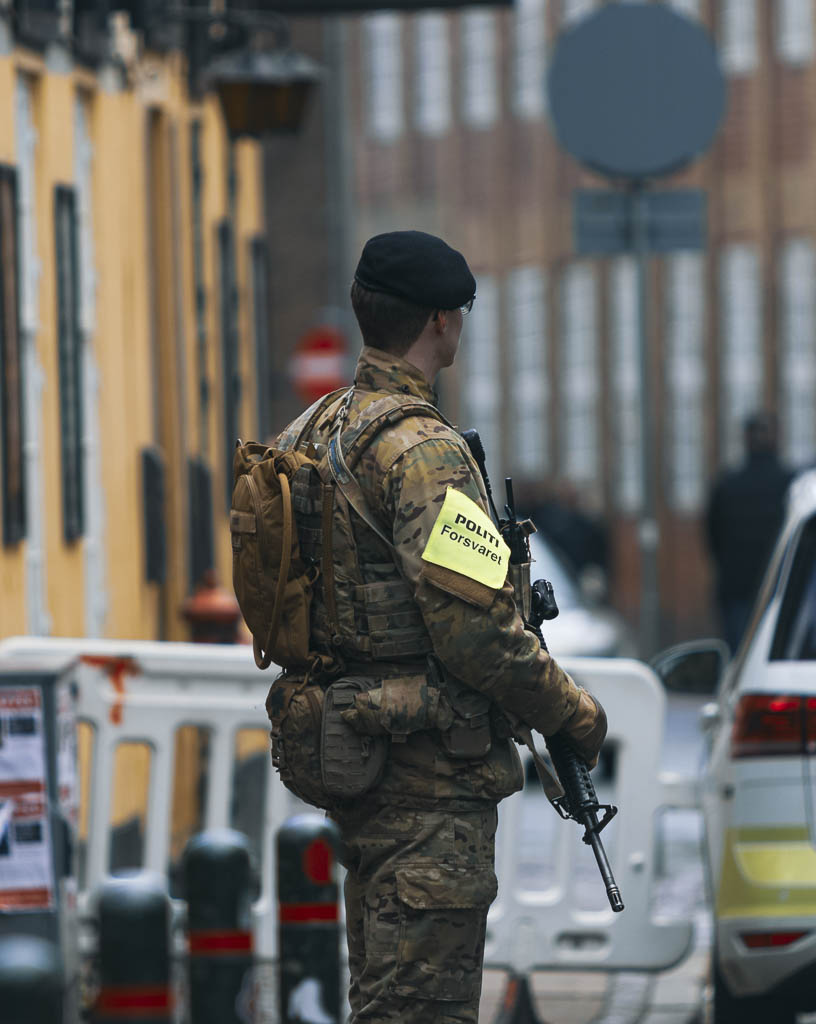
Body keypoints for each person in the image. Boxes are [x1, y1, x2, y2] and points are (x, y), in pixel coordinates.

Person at [269, 230, 607, 1024]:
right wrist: (573, 711)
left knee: (383, 1000)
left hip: (358, 757)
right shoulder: (425, 455)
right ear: (441, 324)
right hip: (429, 783)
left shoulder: (312, 433)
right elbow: (477, 633)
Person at [704, 413, 793, 647]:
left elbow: (712, 537)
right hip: (781, 588)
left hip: (737, 587)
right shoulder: (791, 484)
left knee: (741, 657)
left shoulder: (727, 484)